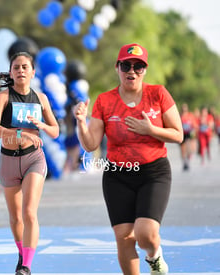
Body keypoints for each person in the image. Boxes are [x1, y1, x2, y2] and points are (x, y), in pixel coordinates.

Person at [73, 43, 183, 275]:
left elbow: (178, 134)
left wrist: (151, 129)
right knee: (124, 238)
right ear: (117, 67)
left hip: (153, 172)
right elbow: (91, 144)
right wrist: (81, 123)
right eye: (126, 65)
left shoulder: (158, 94)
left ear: (145, 70)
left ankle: (154, 256)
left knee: (145, 234)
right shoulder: (104, 101)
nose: (131, 71)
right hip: (117, 175)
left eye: (138, 66)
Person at [0, 52, 59, 275]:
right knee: (16, 217)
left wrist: (43, 127)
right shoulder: (3, 98)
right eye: (16, 67)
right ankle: (22, 253)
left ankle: (26, 265)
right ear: (11, 72)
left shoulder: (41, 99)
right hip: (8, 160)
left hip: (33, 159)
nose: (20, 70)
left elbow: (55, 131)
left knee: (29, 212)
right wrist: (20, 134)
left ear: (32, 72)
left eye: (25, 67)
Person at [179, 103, 198, 171]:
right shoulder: (180, 116)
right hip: (182, 134)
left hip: (189, 133)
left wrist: (194, 132)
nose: (184, 109)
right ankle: (184, 162)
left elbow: (194, 125)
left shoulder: (190, 115)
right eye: (183, 107)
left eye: (185, 107)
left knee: (189, 149)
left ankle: (188, 161)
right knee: (183, 149)